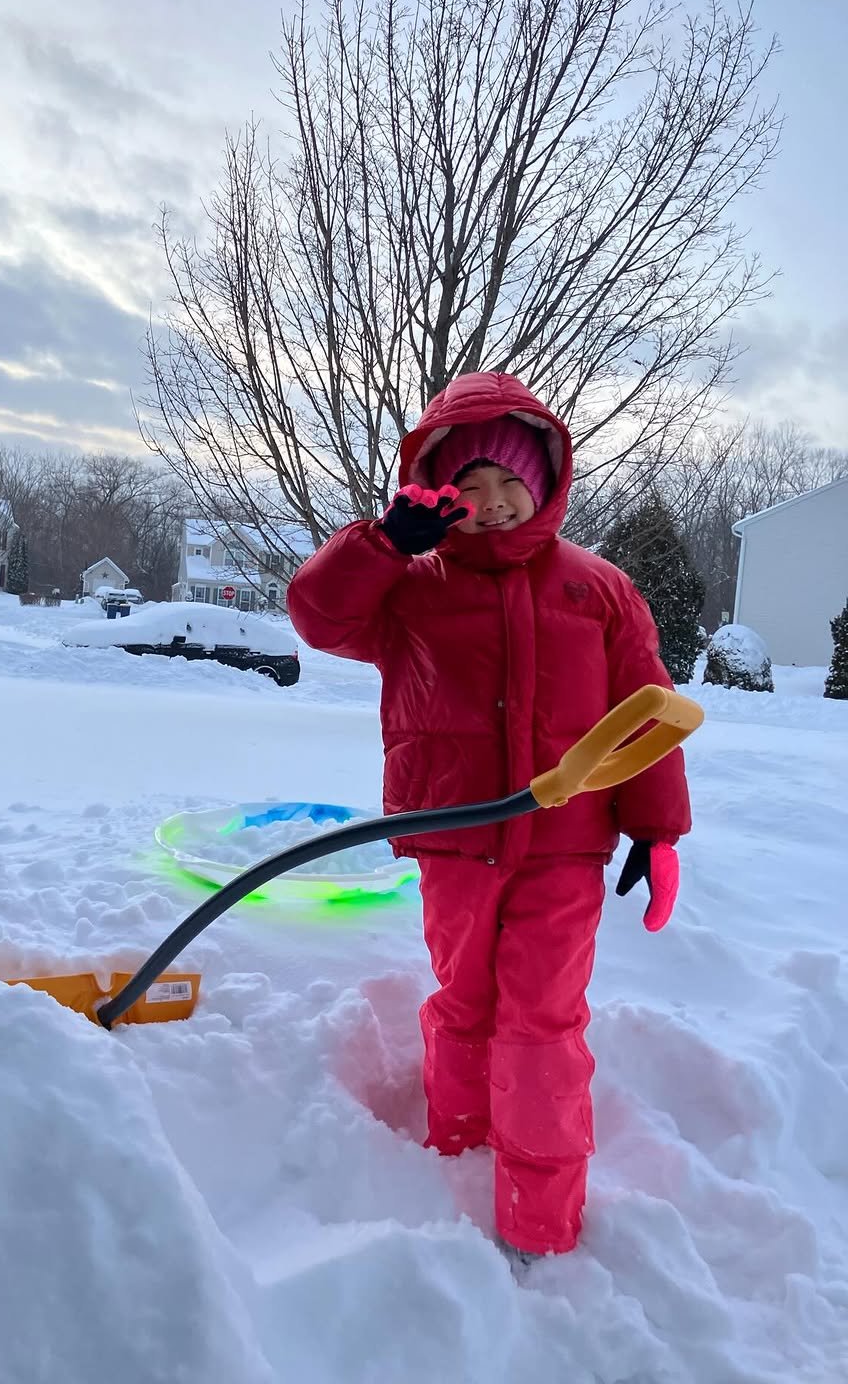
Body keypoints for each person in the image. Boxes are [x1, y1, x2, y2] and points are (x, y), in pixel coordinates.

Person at [286, 372, 690, 1263]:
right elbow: (317, 615)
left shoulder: (599, 589)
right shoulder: (409, 587)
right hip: (456, 839)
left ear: (547, 483)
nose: (496, 503)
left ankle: (540, 1224)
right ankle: (458, 1160)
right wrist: (382, 544)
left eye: (513, 482)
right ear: (439, 490)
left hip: (563, 849)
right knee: (465, 1003)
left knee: (542, 1023)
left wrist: (659, 831)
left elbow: (650, 712)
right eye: (472, 485)